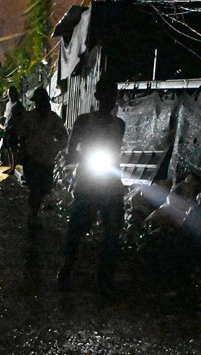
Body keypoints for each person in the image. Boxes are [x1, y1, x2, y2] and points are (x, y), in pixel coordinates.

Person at [57, 78, 126, 293]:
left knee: (113, 228)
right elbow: (71, 149)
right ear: (97, 97)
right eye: (105, 95)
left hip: (111, 180)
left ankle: (105, 276)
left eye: (112, 95)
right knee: (78, 223)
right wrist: (82, 157)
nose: (109, 100)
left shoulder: (119, 124)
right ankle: (68, 264)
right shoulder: (84, 121)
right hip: (89, 177)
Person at [18, 87, 67, 230]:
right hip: (32, 158)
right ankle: (32, 215)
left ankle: (34, 213)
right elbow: (22, 136)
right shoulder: (29, 118)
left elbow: (63, 137)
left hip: (47, 159)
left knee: (43, 187)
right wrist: (23, 152)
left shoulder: (53, 119)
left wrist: (56, 148)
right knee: (35, 188)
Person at [0, 85, 25, 175]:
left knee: (13, 149)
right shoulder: (8, 104)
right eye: (9, 92)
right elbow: (7, 116)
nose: (10, 94)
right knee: (8, 149)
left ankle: (13, 167)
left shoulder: (18, 105)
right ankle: (11, 166)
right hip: (7, 129)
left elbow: (22, 117)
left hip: (14, 130)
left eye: (11, 92)